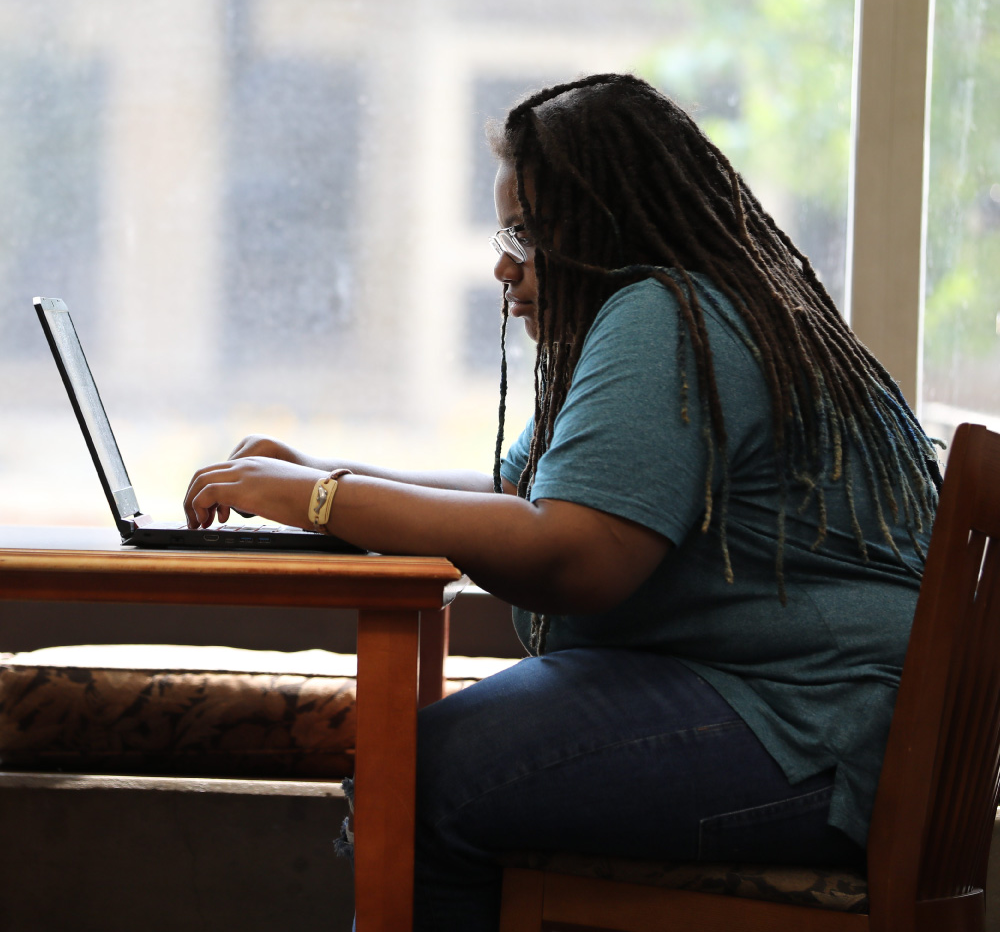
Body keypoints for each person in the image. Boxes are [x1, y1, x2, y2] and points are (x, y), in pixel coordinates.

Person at [183, 73, 941, 931]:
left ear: (604, 227)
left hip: (821, 734)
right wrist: (325, 474)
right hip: (837, 721)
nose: (503, 263)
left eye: (526, 232)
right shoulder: (705, 305)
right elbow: (519, 494)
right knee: (431, 763)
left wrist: (322, 500)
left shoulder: (668, 315)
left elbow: (572, 554)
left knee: (427, 776)